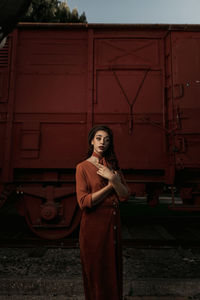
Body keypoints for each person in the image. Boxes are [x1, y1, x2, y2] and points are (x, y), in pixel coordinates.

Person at [75, 125, 130, 300]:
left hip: (112, 227)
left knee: (112, 274)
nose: (102, 142)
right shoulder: (82, 167)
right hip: (94, 229)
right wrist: (110, 185)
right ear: (92, 141)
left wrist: (114, 177)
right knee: (96, 275)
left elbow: (124, 196)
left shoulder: (112, 166)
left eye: (106, 140)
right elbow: (84, 202)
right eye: (99, 138)